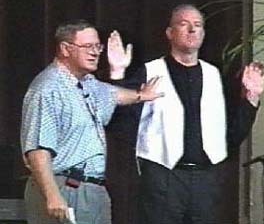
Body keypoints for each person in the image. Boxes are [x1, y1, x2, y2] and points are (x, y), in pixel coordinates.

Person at [107, 4, 264, 224]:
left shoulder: (214, 75)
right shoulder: (150, 71)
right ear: (169, 33)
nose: (192, 30)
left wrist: (251, 98)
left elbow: (231, 137)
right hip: (163, 177)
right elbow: (120, 124)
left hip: (206, 179)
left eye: (197, 25)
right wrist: (118, 75)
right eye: (184, 24)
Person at [20, 19, 163, 224]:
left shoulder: (88, 83)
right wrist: (52, 195)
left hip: (92, 191)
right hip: (63, 188)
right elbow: (37, 150)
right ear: (65, 49)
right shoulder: (48, 88)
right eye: (88, 46)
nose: (95, 52)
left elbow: (115, 95)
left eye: (98, 46)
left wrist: (141, 95)